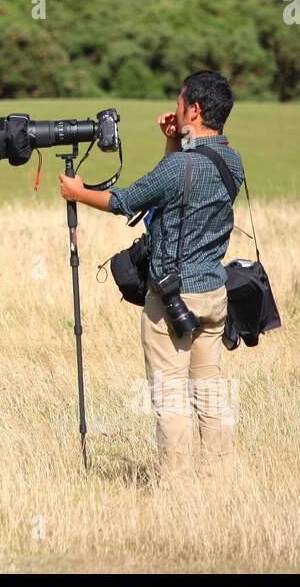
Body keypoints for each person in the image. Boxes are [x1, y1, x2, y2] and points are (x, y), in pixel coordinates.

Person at [60, 70, 244, 473]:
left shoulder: (179, 167)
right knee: (210, 393)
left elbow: (127, 201)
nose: (174, 109)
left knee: (171, 397)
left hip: (174, 300)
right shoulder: (233, 161)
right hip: (214, 294)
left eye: (180, 103)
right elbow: (175, 196)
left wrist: (77, 192)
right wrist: (174, 141)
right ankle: (220, 479)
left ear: (194, 109)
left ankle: (176, 487)